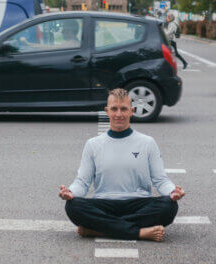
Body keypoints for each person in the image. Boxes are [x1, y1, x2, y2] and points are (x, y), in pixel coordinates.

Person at [59, 88, 184, 242]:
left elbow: (160, 180)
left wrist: (172, 191)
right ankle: (139, 232)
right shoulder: (92, 144)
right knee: (73, 206)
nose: (119, 114)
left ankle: (101, 230)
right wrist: (71, 192)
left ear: (132, 111)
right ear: (107, 111)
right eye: (114, 109)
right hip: (104, 203)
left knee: (169, 206)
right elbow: (82, 182)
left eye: (124, 109)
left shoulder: (147, 143)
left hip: (138, 203)